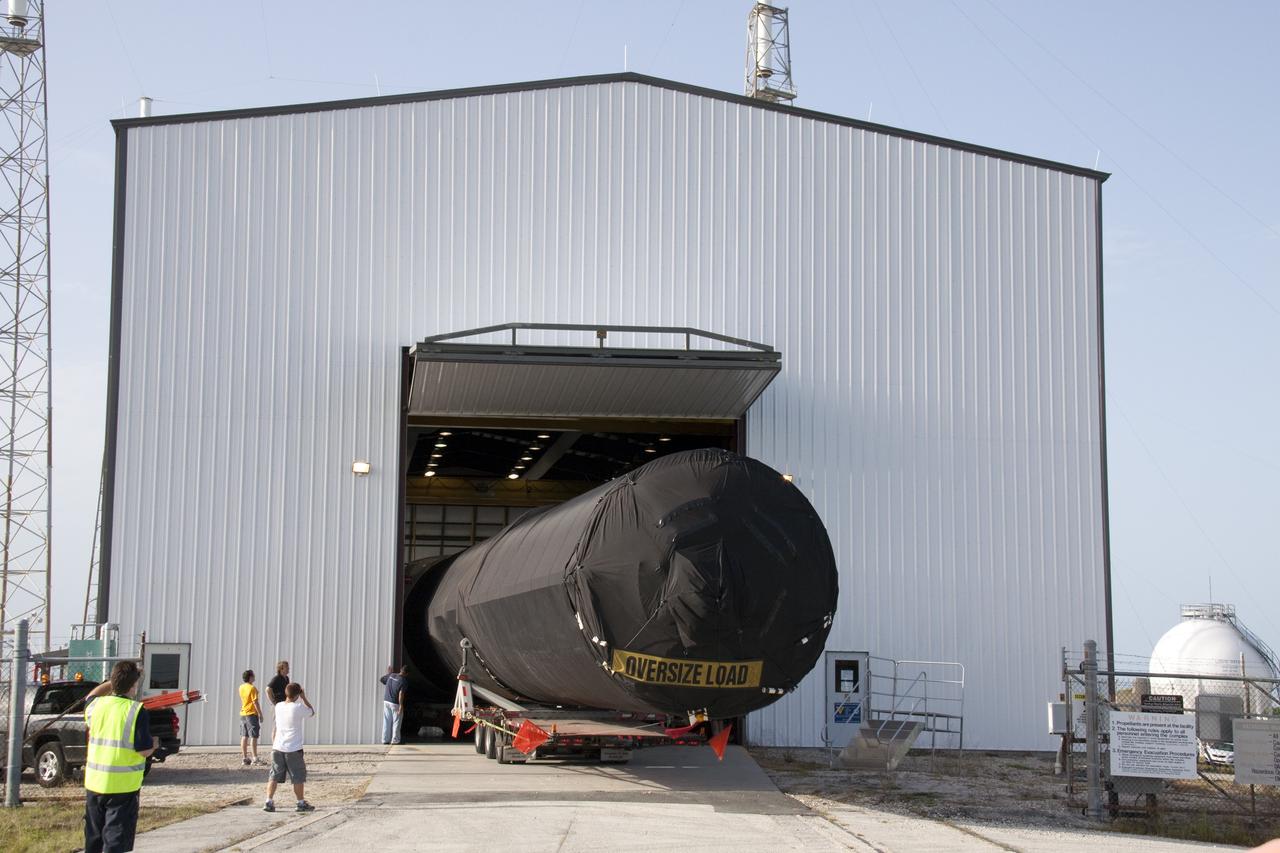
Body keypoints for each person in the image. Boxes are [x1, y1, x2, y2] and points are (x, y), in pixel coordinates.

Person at [82, 661, 159, 853]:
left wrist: (113, 682)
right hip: (123, 787)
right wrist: (155, 745)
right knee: (115, 841)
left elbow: (90, 696)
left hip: (95, 783)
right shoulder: (135, 710)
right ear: (133, 686)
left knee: (94, 839)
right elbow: (143, 749)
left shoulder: (96, 706)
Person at [264, 682, 316, 813]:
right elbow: (311, 712)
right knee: (297, 777)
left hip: (277, 747)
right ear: (297, 694)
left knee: (274, 775)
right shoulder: (298, 707)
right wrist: (304, 697)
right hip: (293, 748)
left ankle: (269, 801)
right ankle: (300, 802)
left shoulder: (278, 706)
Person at [239, 669, 263, 766]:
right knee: (254, 736)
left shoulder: (241, 687)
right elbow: (255, 702)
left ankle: (245, 758)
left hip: (243, 713)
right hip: (251, 713)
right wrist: (260, 714)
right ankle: (255, 758)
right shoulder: (252, 688)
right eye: (253, 675)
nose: (254, 677)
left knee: (244, 736)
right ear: (250, 677)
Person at [379, 664, 408, 745]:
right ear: (406, 674)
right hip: (395, 703)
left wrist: (389, 674)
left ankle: (385, 740)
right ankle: (395, 740)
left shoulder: (392, 675)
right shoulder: (403, 681)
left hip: (386, 701)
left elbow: (381, 679)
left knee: (386, 721)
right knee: (396, 722)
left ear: (401, 670)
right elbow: (401, 694)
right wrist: (401, 705)